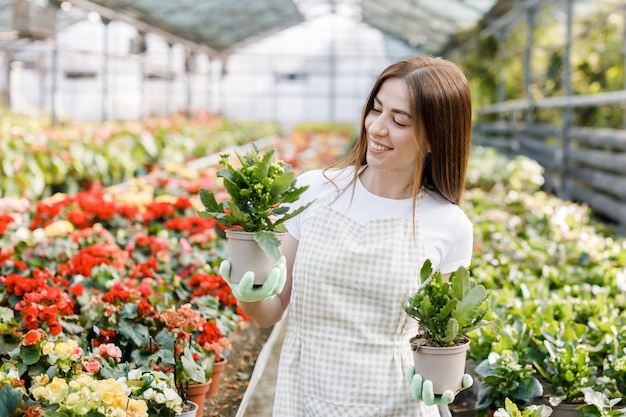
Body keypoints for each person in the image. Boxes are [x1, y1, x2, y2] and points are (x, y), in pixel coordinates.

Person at [220, 55, 474, 417]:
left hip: (396, 402)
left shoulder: (448, 224)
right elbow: (268, 314)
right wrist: (249, 291)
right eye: (376, 109)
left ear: (436, 137)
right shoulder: (315, 191)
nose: (377, 127)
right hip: (304, 395)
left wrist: (442, 380)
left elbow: (436, 333)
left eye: (399, 120)